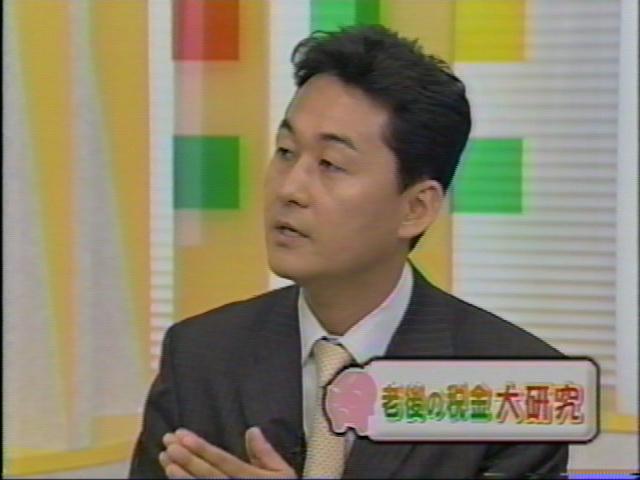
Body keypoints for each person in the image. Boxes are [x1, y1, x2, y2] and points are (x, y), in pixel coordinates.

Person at [129, 25, 568, 479]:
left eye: (331, 164)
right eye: (285, 151)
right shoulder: (199, 358)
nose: (290, 188)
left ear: (415, 209)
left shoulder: (515, 388)